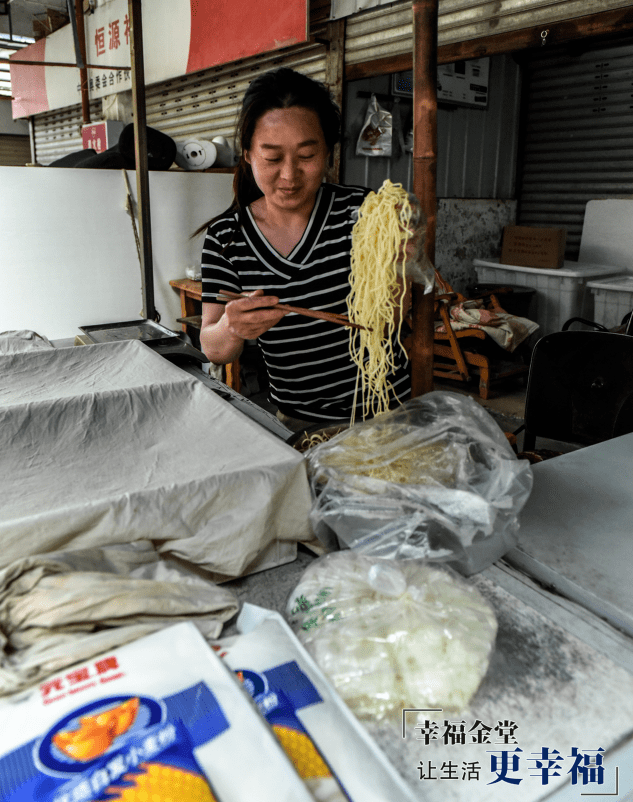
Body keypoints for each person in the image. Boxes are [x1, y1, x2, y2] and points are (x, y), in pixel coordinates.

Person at [198, 67, 411, 430]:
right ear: (248, 154)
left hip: (389, 413)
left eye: (307, 156)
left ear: (328, 151)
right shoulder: (226, 238)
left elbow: (393, 318)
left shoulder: (364, 213)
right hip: (300, 423)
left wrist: (403, 256)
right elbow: (213, 346)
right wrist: (232, 326)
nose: (289, 175)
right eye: (272, 157)